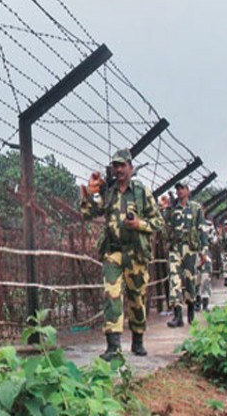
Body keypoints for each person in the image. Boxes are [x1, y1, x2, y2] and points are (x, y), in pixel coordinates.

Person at [81, 149, 162, 360]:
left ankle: (138, 340)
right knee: (112, 296)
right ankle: (113, 347)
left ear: (130, 168)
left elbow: (158, 222)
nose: (118, 170)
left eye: (122, 165)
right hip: (113, 252)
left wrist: (139, 224)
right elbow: (88, 213)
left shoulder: (141, 192)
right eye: (115, 166)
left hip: (136, 253)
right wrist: (90, 192)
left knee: (137, 298)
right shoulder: (109, 192)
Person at [164, 182, 205, 327]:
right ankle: (177, 316)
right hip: (175, 248)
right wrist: (166, 208)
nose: (179, 191)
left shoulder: (195, 208)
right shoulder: (172, 209)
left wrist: (203, 251)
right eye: (177, 189)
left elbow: (201, 230)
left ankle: (191, 311)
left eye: (182, 188)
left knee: (189, 281)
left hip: (190, 249)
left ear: (188, 191)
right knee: (174, 280)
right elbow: (165, 225)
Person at [196, 215, 218, 311]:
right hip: (193, 255)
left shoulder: (208, 225)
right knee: (195, 280)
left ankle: (205, 303)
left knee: (205, 279)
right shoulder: (190, 223)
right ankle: (196, 303)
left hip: (205, 255)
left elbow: (214, 240)